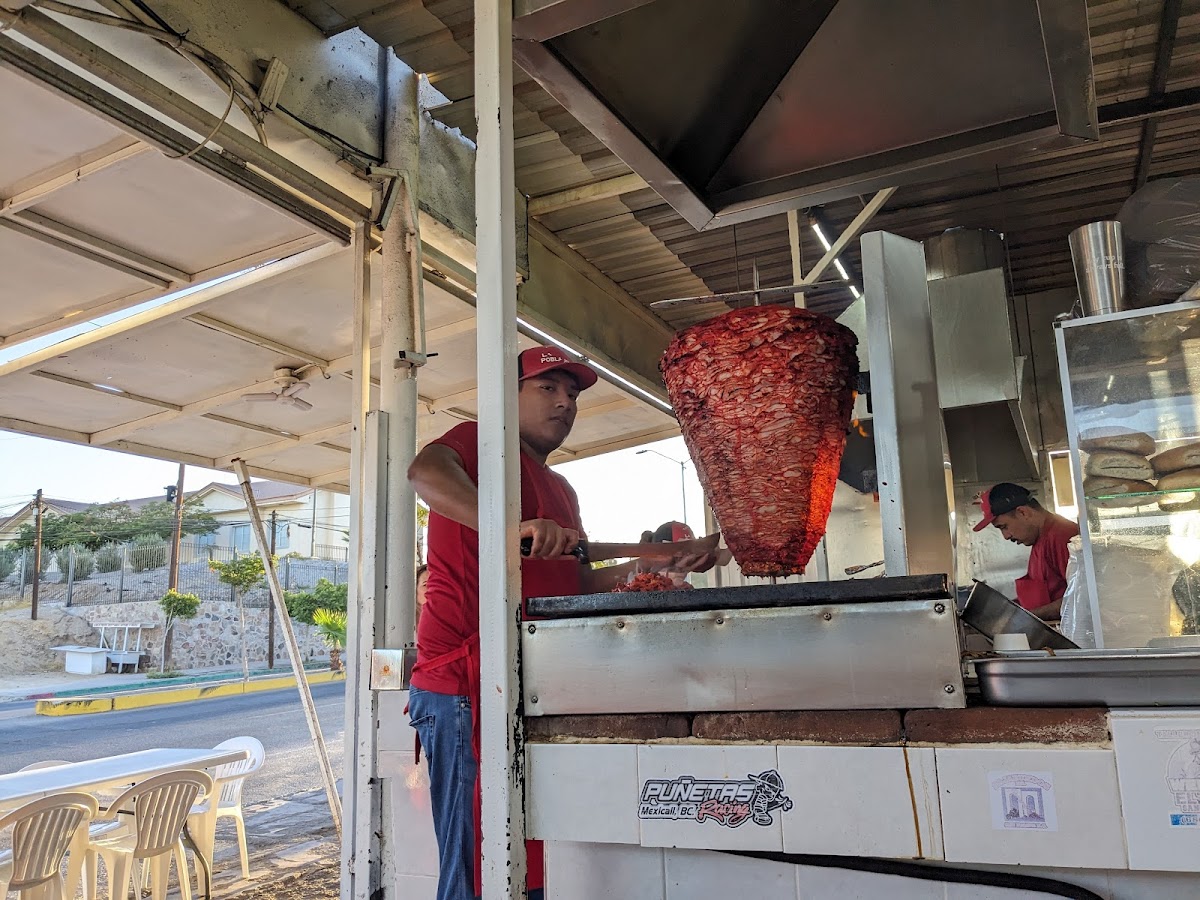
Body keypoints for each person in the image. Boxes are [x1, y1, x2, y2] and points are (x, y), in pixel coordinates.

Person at [407, 347, 716, 900]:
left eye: (571, 394)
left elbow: (575, 583)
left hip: (533, 682)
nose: (565, 402)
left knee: (523, 858)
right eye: (547, 387)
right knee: (479, 864)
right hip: (463, 686)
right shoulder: (479, 443)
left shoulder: (564, 491)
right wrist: (506, 523)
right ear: (509, 396)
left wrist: (648, 566)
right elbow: (423, 472)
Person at [974, 482, 1079, 620]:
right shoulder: (1039, 540)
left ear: (1023, 512)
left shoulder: (1062, 537)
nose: (1006, 536)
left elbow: (1080, 599)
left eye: (1004, 526)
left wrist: (1023, 618)